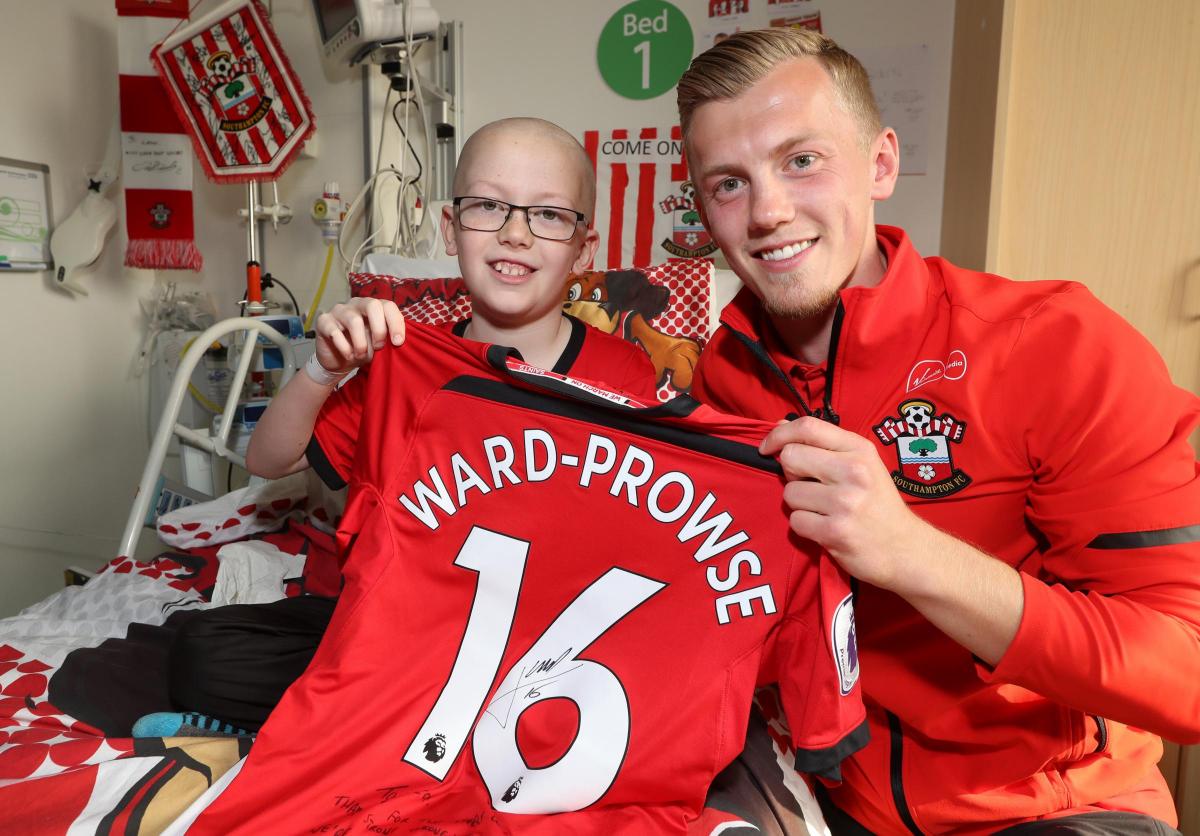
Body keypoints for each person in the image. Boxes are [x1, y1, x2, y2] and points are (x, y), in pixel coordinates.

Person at [676, 27, 1200, 835]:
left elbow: (1187, 671)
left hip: (1054, 810)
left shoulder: (1054, 345)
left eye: (802, 160)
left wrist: (912, 554)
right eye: (729, 184)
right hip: (835, 801)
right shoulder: (725, 377)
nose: (770, 211)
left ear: (881, 162)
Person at [143, 117, 658, 737]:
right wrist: (323, 369)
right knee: (202, 653)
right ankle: (434, 720)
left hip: (549, 647)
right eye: (488, 206)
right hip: (409, 634)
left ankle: (424, 723)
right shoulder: (404, 361)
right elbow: (267, 461)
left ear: (584, 247)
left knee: (651, 685)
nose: (515, 233)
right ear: (450, 229)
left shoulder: (623, 372)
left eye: (547, 214)